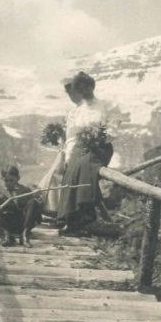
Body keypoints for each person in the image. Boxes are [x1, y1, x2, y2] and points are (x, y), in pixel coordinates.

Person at [56, 71, 116, 233]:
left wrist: (101, 137)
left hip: (100, 147)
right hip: (80, 147)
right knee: (71, 170)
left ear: (92, 86)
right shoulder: (77, 111)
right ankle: (71, 219)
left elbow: (113, 125)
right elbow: (71, 136)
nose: (85, 93)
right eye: (81, 90)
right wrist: (69, 155)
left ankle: (85, 215)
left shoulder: (105, 105)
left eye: (87, 88)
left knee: (85, 165)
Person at [37, 79, 82, 218]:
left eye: (73, 93)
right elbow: (68, 131)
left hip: (76, 148)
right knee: (53, 175)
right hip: (66, 147)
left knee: (58, 174)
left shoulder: (85, 110)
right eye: (69, 94)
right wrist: (60, 134)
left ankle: (56, 210)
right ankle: (52, 208)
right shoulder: (72, 111)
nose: (71, 97)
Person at [0, 165, 42, 247]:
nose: (8, 183)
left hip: (21, 224)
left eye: (11, 180)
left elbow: (36, 210)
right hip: (4, 223)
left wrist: (37, 198)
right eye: (6, 181)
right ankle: (6, 235)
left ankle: (25, 235)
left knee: (33, 202)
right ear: (2, 179)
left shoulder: (25, 190)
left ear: (18, 178)